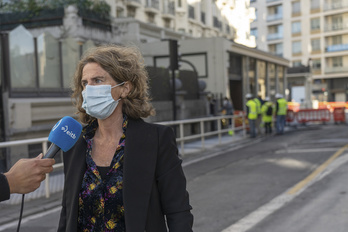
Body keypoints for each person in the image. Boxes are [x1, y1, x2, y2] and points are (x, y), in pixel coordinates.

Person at [58, 45, 193, 231]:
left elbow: (178, 209)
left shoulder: (157, 139)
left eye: (98, 80)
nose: (89, 89)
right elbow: (67, 212)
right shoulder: (76, 143)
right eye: (85, 83)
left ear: (125, 89)